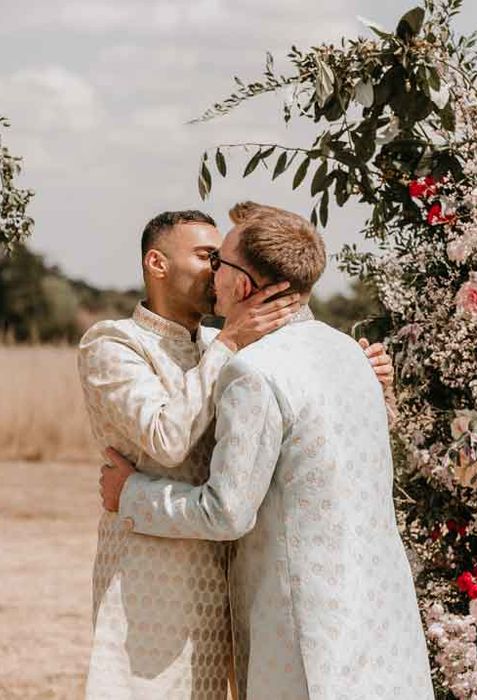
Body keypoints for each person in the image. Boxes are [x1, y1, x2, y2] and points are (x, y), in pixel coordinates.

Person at [100, 203, 435, 700]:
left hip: (306, 636)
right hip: (384, 623)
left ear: (243, 285)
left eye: (221, 264)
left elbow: (226, 512)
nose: (213, 275)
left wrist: (132, 494)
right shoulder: (351, 354)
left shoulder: (254, 372)